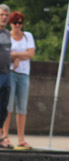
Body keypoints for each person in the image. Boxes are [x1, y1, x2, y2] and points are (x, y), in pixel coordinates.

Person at [3, 10, 33, 150]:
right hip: (10, 73)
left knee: (22, 107)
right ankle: (5, 136)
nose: (18, 25)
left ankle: (21, 138)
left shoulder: (27, 36)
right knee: (7, 107)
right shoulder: (7, 36)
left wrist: (16, 55)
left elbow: (30, 53)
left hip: (24, 74)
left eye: (20, 22)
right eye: (15, 22)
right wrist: (17, 56)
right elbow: (5, 53)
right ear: (11, 23)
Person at [0, 5, 10, 149]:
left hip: (7, 73)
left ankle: (1, 136)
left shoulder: (7, 33)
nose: (4, 17)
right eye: (2, 14)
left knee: (3, 107)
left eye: (6, 15)